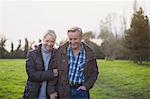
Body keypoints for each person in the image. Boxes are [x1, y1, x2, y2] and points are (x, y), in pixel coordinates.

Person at [47, 26, 99, 99]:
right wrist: (51, 91)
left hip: (80, 92)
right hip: (63, 91)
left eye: (75, 39)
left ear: (81, 38)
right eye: (70, 39)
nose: (72, 42)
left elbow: (94, 72)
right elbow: (54, 71)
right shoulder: (61, 51)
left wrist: (86, 86)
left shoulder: (89, 53)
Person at [23, 30, 58, 99]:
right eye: (47, 41)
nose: (49, 44)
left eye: (52, 41)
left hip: (50, 94)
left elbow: (59, 74)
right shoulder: (32, 54)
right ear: (43, 40)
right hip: (33, 92)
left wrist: (52, 91)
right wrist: (51, 74)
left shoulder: (57, 54)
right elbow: (32, 75)